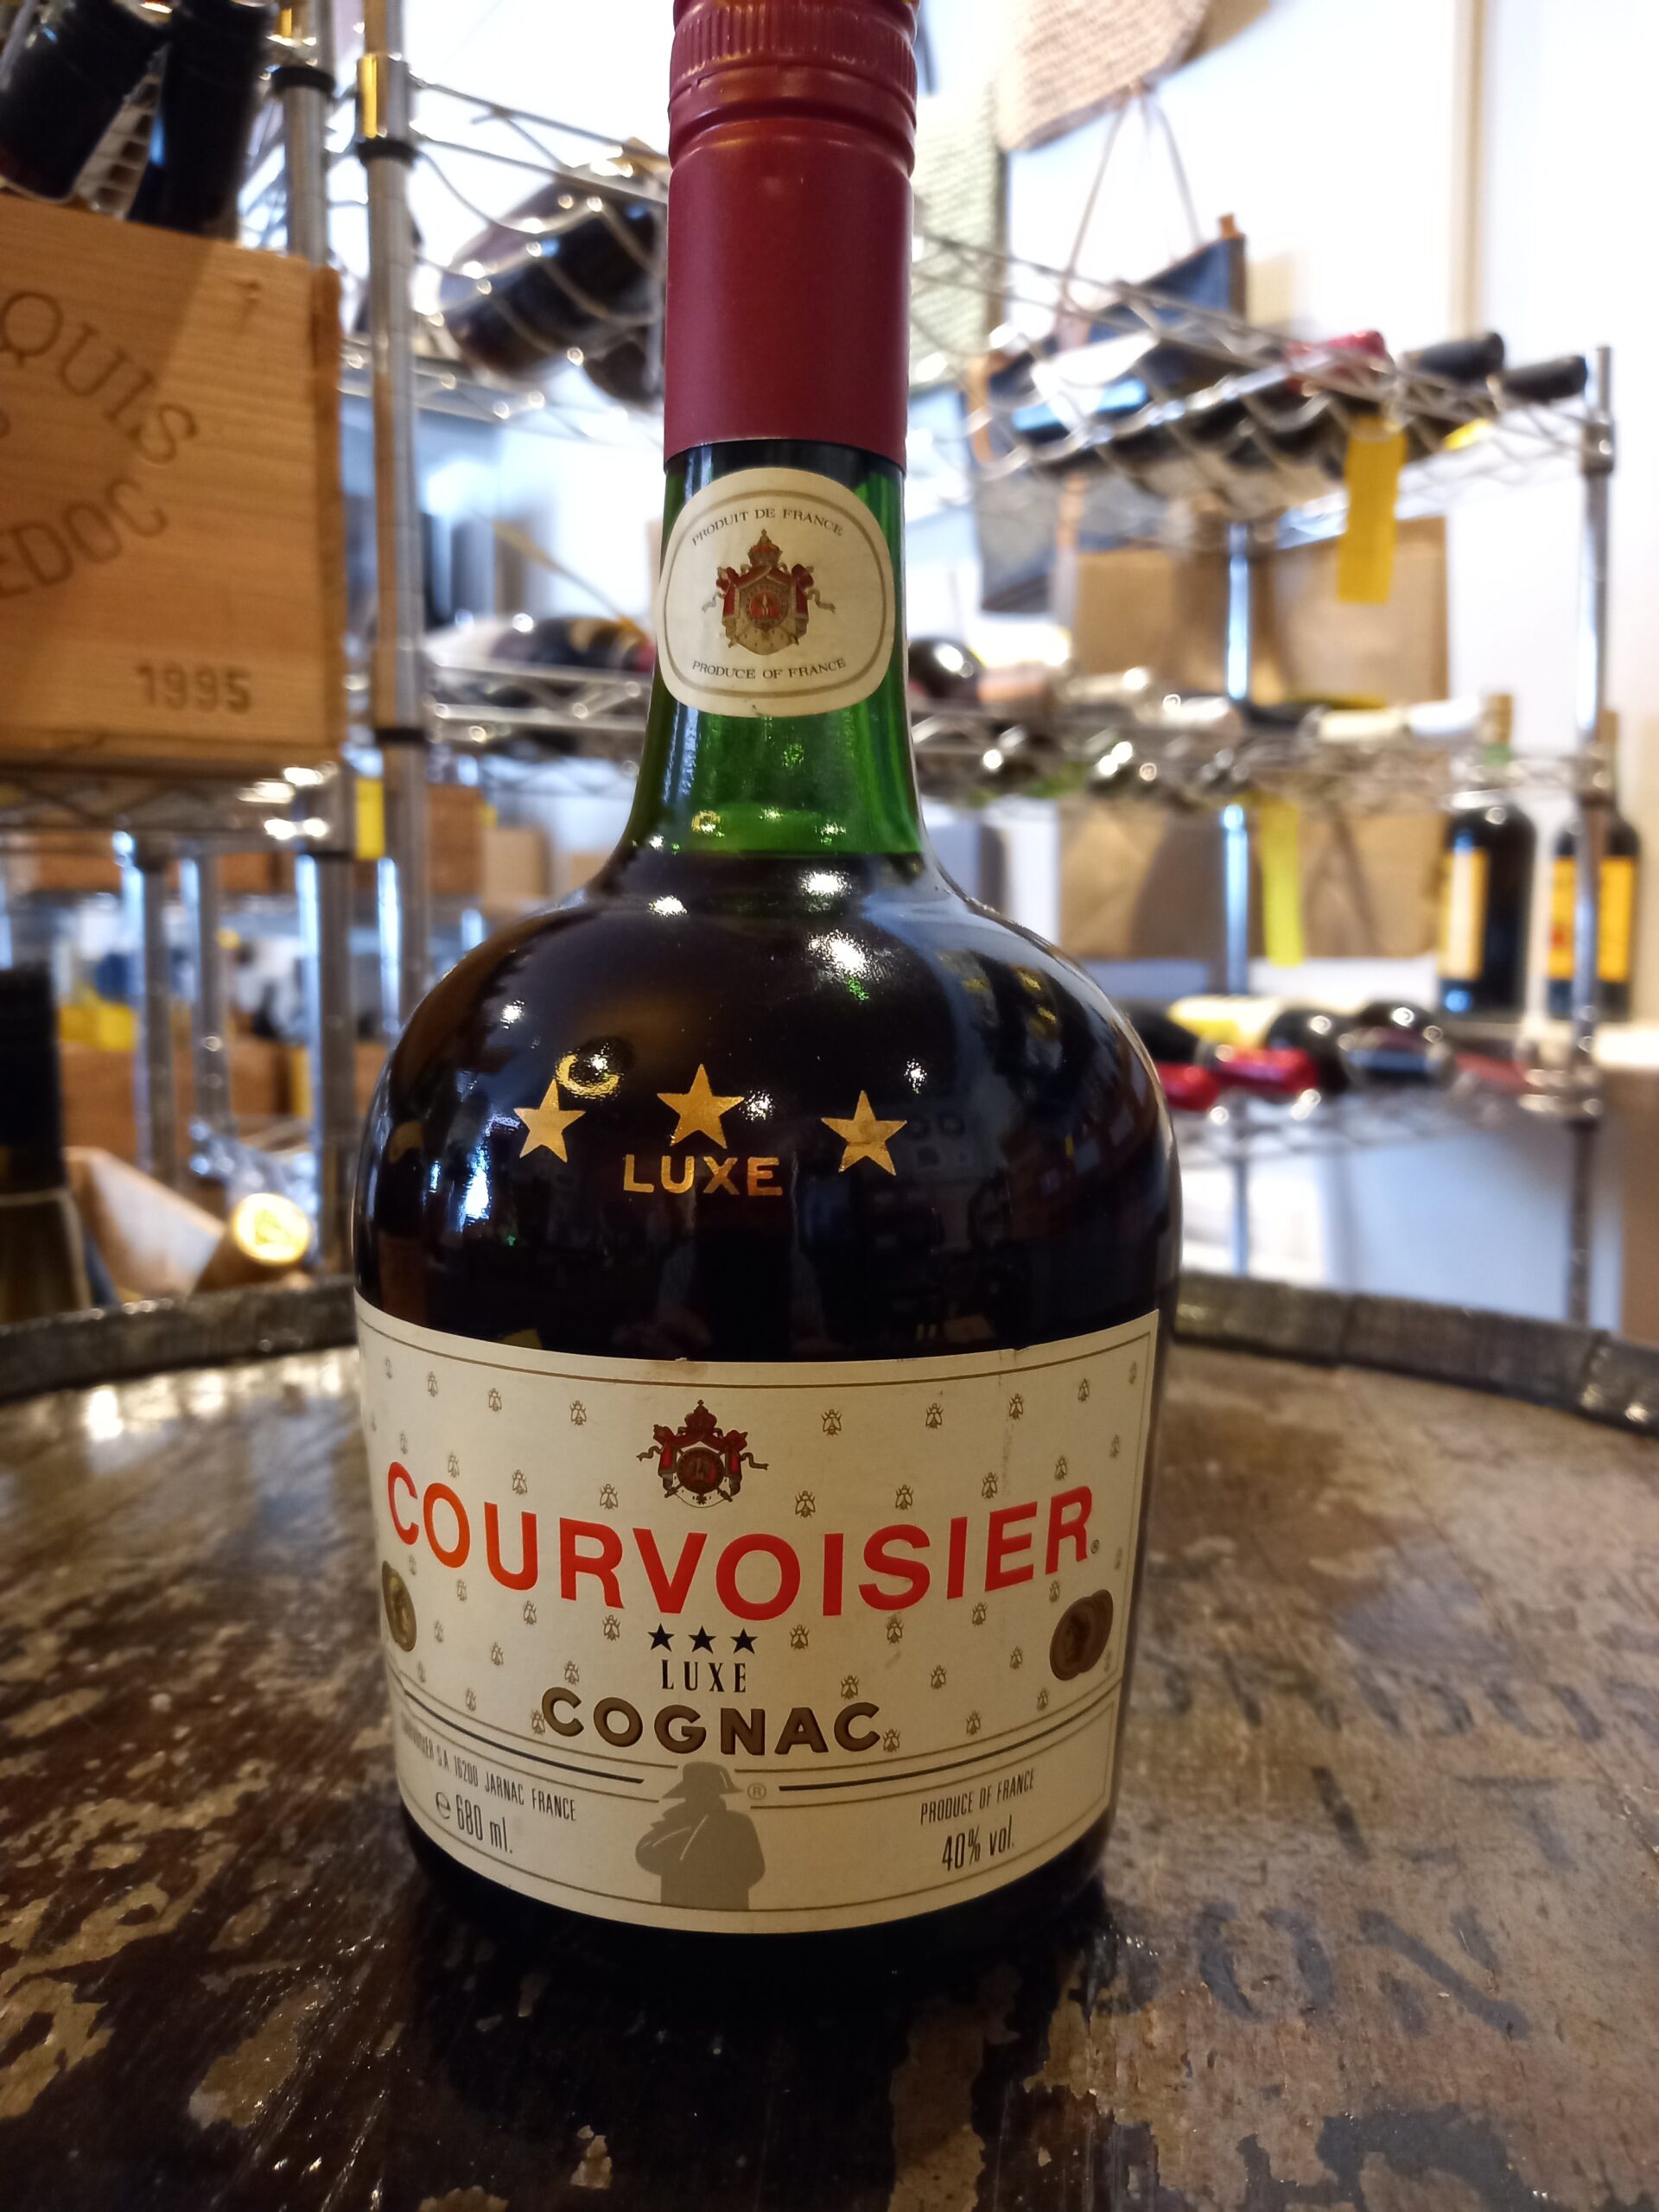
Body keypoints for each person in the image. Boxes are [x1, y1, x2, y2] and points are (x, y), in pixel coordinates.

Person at [635, 1763, 766, 1911]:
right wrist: (680, 1872)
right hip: (676, 1907)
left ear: (715, 1792)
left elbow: (755, 1867)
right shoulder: (672, 1822)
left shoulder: (738, 1823)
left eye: (705, 1790)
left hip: (728, 1907)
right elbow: (643, 1853)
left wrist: (720, 1884)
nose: (698, 1795)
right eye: (694, 1790)